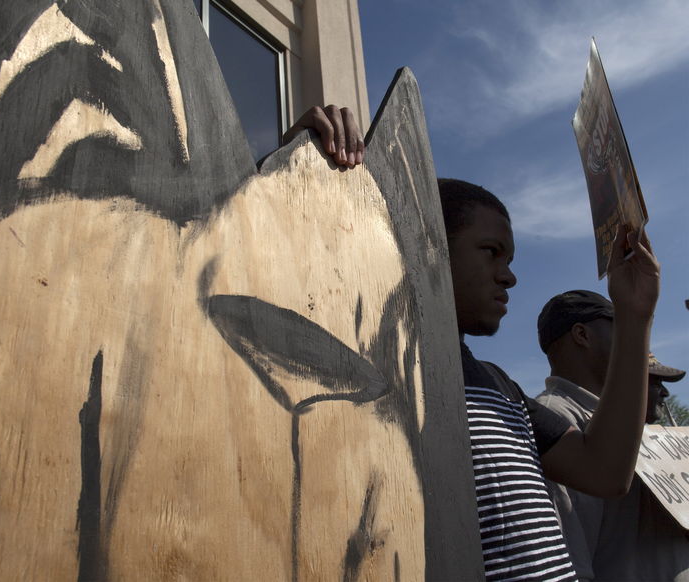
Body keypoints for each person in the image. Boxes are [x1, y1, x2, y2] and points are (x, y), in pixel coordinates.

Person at [286, 107, 661, 581]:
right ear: (429, 243)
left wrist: (634, 314)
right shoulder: (364, 368)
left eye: (510, 257)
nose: (510, 275)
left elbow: (607, 473)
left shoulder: (502, 389)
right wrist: (296, 169)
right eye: (490, 252)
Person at [535, 290, 689, 581]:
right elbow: (570, 560)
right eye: (620, 324)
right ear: (582, 334)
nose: (633, 335)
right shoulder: (555, 418)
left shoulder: (627, 423)